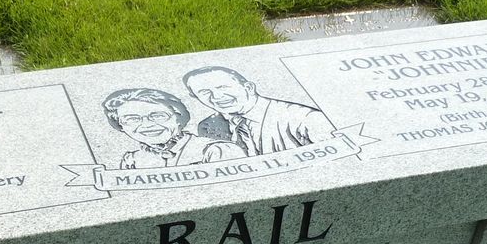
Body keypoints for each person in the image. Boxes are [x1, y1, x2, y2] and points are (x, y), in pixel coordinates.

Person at [182, 66, 331, 155]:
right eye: (204, 92)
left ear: (248, 87)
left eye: (222, 87)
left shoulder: (304, 119)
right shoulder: (208, 126)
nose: (216, 97)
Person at [102, 88, 245, 169]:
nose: (147, 124)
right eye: (132, 119)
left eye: (158, 116)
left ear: (179, 117)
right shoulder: (131, 160)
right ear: (120, 125)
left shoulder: (217, 151)